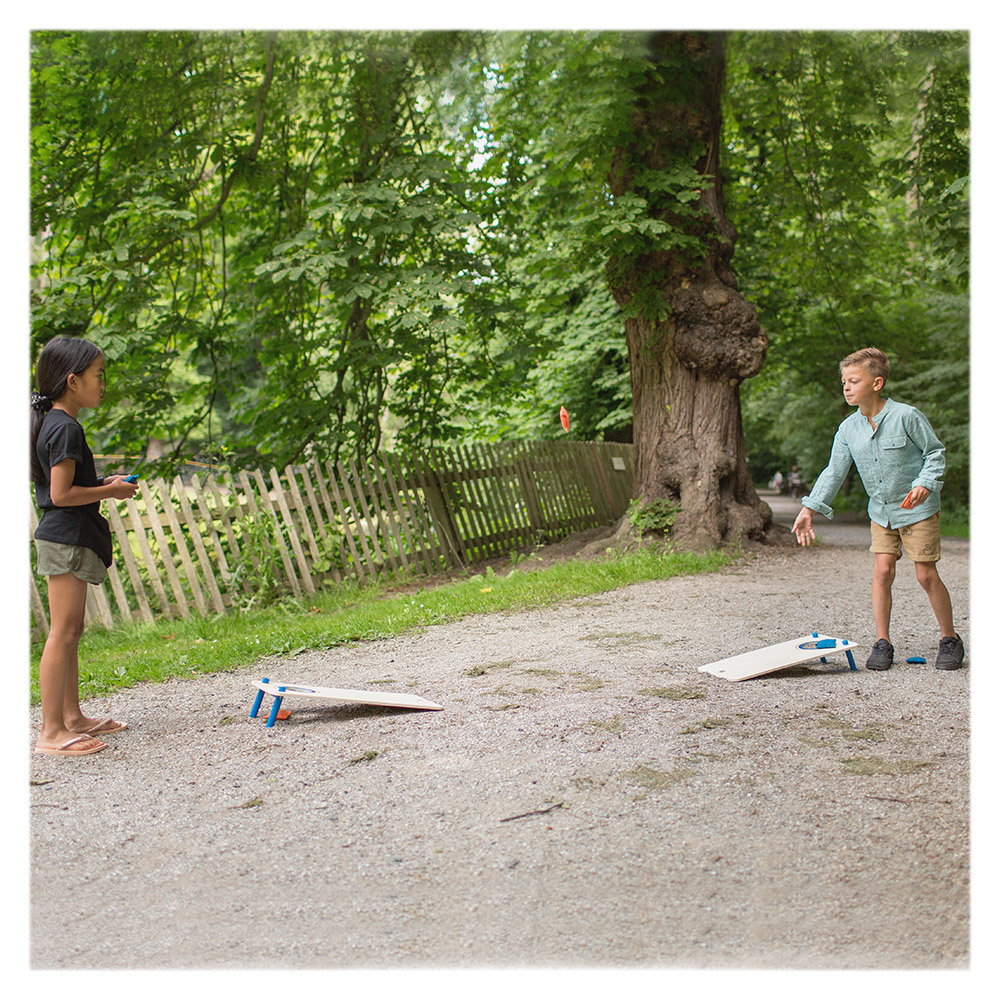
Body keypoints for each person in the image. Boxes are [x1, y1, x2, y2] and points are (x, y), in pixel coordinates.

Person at [791, 347, 964, 671]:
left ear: (877, 383)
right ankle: (882, 642)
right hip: (881, 511)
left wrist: (925, 482)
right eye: (844, 381)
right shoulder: (847, 429)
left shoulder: (906, 416)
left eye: (854, 380)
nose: (846, 387)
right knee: (882, 571)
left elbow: (935, 453)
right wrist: (809, 508)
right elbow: (834, 470)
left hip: (917, 509)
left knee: (925, 574)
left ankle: (949, 638)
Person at [31, 336, 139, 756]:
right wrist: (109, 494)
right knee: (62, 632)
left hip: (68, 535)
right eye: (99, 375)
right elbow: (59, 495)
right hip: (65, 535)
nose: (103, 384)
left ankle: (72, 717)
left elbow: (70, 486)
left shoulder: (56, 423)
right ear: (72, 381)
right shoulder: (65, 427)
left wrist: (104, 484)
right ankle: (50, 732)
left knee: (72, 630)